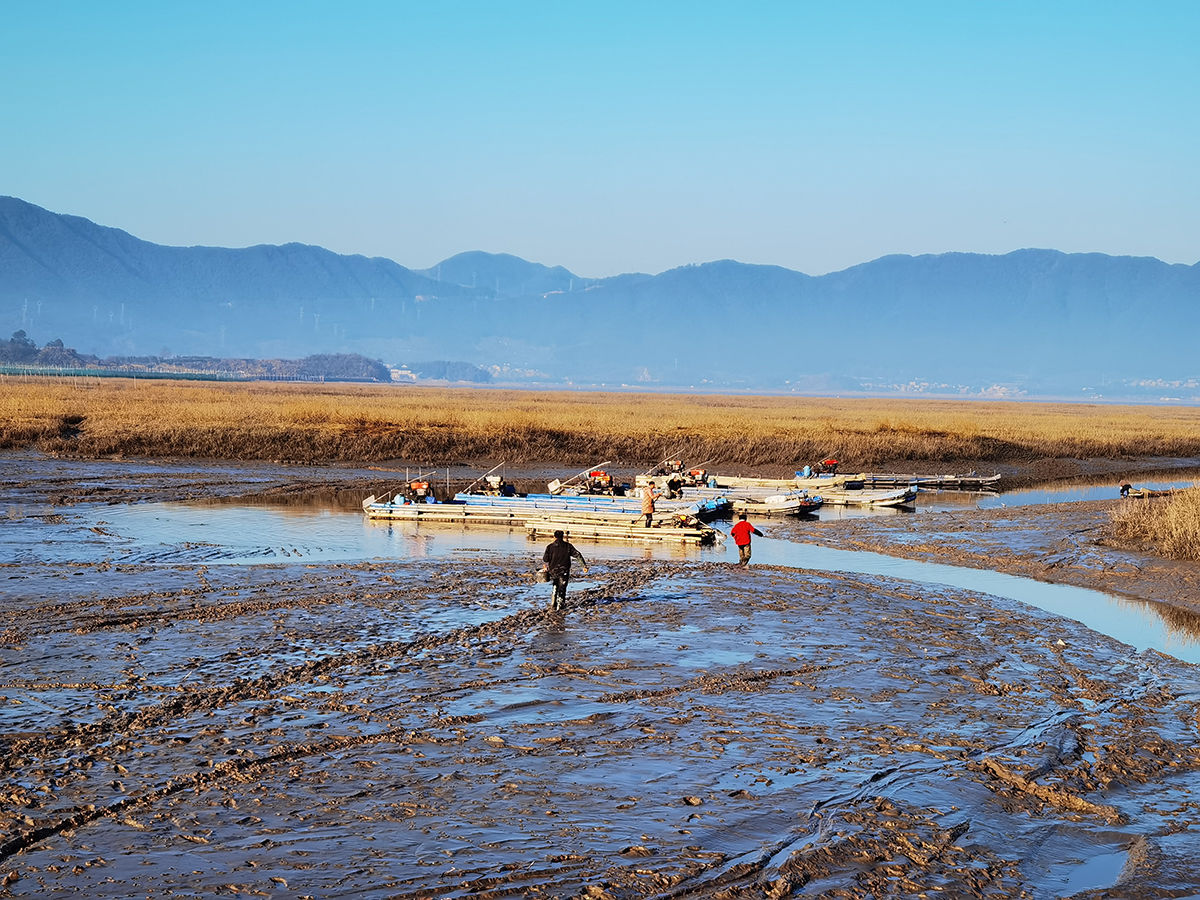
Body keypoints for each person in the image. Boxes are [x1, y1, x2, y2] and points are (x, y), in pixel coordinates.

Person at [542, 529, 588, 610]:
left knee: (555, 586)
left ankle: (553, 604)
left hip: (553, 571)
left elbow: (545, 559)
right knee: (562, 588)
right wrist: (583, 566)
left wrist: (545, 567)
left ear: (554, 537)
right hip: (564, 571)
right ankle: (560, 606)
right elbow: (578, 555)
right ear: (563, 537)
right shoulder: (568, 546)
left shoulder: (549, 547)